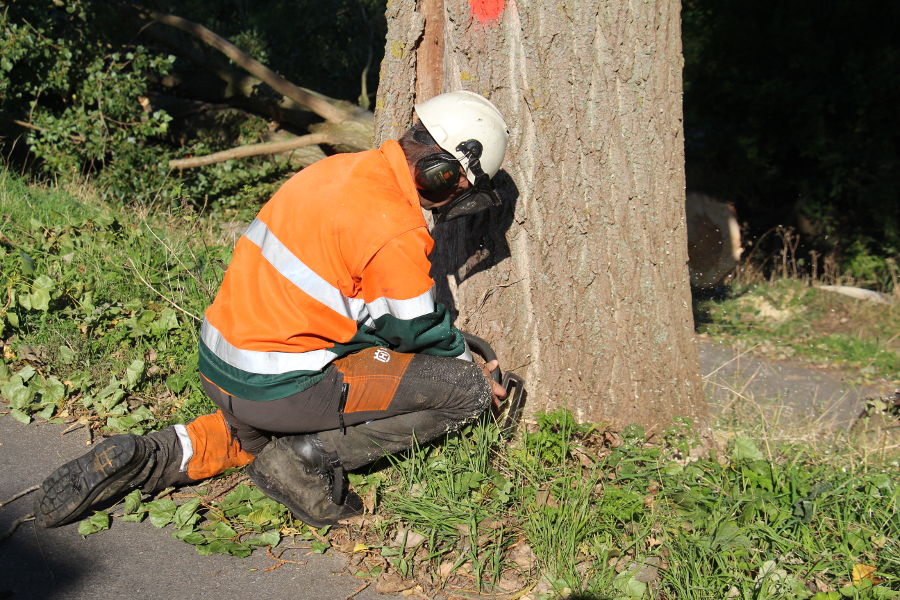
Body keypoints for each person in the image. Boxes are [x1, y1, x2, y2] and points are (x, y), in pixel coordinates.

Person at [34, 90, 511, 528]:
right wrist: (466, 364)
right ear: (443, 171)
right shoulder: (396, 228)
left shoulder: (335, 170)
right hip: (280, 384)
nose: (453, 198)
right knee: (463, 391)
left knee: (254, 439)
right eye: (460, 187)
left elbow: (347, 297)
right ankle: (306, 458)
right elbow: (419, 330)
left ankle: (154, 455)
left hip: (223, 364)